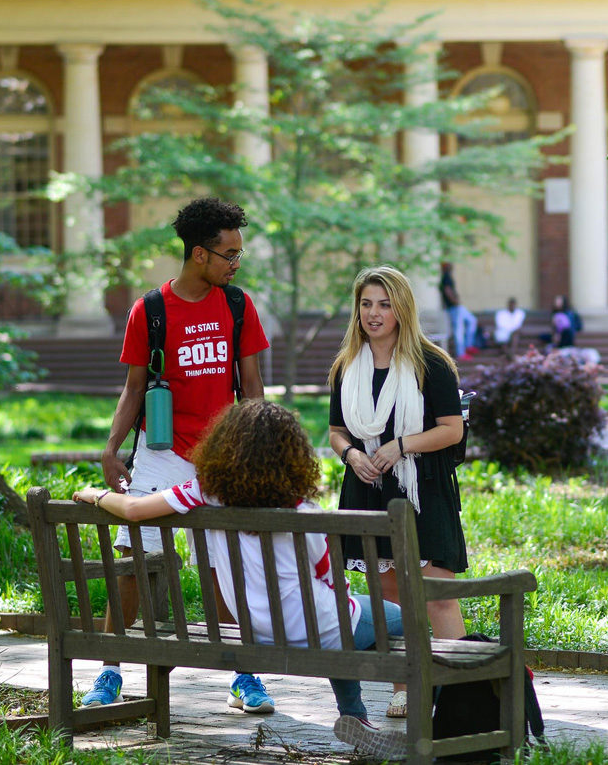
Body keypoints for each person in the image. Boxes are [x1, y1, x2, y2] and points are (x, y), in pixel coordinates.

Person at [73, 402, 409, 761]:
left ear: (223, 445)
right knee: (403, 620)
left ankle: (357, 720)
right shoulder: (303, 511)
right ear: (291, 455)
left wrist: (95, 494)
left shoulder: (204, 492)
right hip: (319, 628)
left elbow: (136, 510)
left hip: (253, 632)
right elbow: (328, 579)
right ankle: (384, 715)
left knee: (341, 626)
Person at [86, 197, 275, 714]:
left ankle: (244, 675)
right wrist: (111, 449)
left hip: (223, 458)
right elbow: (133, 387)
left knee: (226, 567)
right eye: (229, 254)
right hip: (162, 453)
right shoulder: (149, 310)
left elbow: (252, 383)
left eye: (238, 253)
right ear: (199, 254)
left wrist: (255, 448)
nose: (236, 263)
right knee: (134, 565)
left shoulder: (238, 305)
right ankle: (109, 673)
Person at [328, 265, 468, 719]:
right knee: (389, 600)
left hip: (422, 492)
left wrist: (400, 446)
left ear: (402, 308)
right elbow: (335, 431)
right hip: (367, 491)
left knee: (439, 595)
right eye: (366, 304)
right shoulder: (347, 366)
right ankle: (404, 687)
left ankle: (458, 693)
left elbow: (451, 431)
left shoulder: (432, 364)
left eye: (385, 304)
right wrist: (352, 454)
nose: (374, 313)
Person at [438, 260, 478, 361]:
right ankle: (461, 353)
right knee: (459, 330)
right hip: (453, 308)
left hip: (457, 307)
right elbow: (447, 290)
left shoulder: (447, 277)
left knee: (472, 320)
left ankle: (469, 345)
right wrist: (455, 301)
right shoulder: (446, 277)